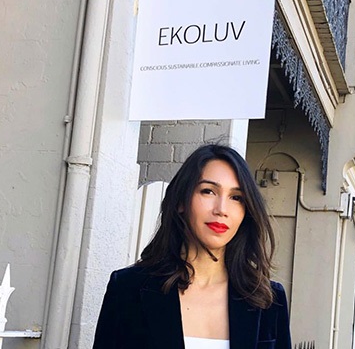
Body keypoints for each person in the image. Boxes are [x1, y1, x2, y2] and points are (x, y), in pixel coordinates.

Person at [93, 144, 292, 349]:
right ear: (181, 201)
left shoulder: (268, 299)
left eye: (236, 197)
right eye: (208, 191)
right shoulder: (128, 288)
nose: (221, 209)